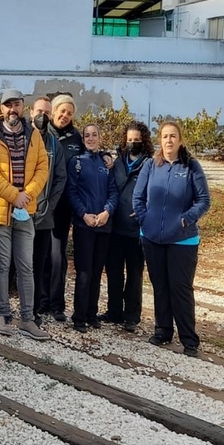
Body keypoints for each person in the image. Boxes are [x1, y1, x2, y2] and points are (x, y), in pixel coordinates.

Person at [133, 121, 210, 357]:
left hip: (182, 240)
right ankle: (163, 331)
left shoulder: (191, 166)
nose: (169, 140)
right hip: (152, 237)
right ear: (160, 140)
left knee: (180, 288)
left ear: (180, 140)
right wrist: (145, 221)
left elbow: (204, 200)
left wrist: (187, 219)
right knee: (160, 286)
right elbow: (138, 197)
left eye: (173, 136)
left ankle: (189, 339)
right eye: (165, 136)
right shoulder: (150, 165)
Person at [0, 89, 49, 340]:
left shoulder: (35, 136)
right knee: (2, 264)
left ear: (23, 107)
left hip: (25, 211)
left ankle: (28, 320)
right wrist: (14, 196)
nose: (12, 109)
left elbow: (43, 167)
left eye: (17, 104)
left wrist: (27, 195)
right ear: (1, 109)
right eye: (8, 105)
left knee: (26, 267)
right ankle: (4, 315)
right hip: (0, 213)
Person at [99, 121, 152, 332]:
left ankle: (131, 316)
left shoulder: (150, 163)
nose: (133, 143)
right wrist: (104, 154)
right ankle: (114, 312)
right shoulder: (117, 161)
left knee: (135, 274)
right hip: (115, 226)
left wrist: (144, 210)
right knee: (113, 272)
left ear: (144, 141)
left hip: (136, 229)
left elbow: (155, 191)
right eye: (129, 140)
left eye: (137, 140)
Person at [66, 124, 119, 333]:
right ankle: (79, 316)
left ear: (100, 137)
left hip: (104, 225)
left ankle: (91, 313)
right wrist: (83, 214)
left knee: (97, 272)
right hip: (84, 225)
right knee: (84, 272)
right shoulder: (77, 162)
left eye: (94, 135)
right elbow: (71, 192)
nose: (90, 138)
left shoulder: (106, 164)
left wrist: (107, 212)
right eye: (86, 135)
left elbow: (113, 191)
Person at [46, 94, 83, 322]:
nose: (65, 116)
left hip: (63, 206)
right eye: (62, 111)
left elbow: (90, 154)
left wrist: (107, 157)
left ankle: (56, 304)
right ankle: (39, 302)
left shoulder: (76, 137)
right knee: (40, 254)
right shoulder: (41, 132)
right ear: (53, 111)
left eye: (69, 113)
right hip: (41, 203)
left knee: (58, 256)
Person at [30, 97, 67, 327]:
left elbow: (60, 178)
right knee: (12, 262)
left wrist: (49, 206)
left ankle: (34, 310)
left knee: (37, 264)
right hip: (20, 212)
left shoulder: (55, 144)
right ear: (31, 112)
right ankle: (0, 306)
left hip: (44, 216)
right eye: (39, 111)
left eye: (46, 112)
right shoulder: (21, 136)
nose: (42, 116)